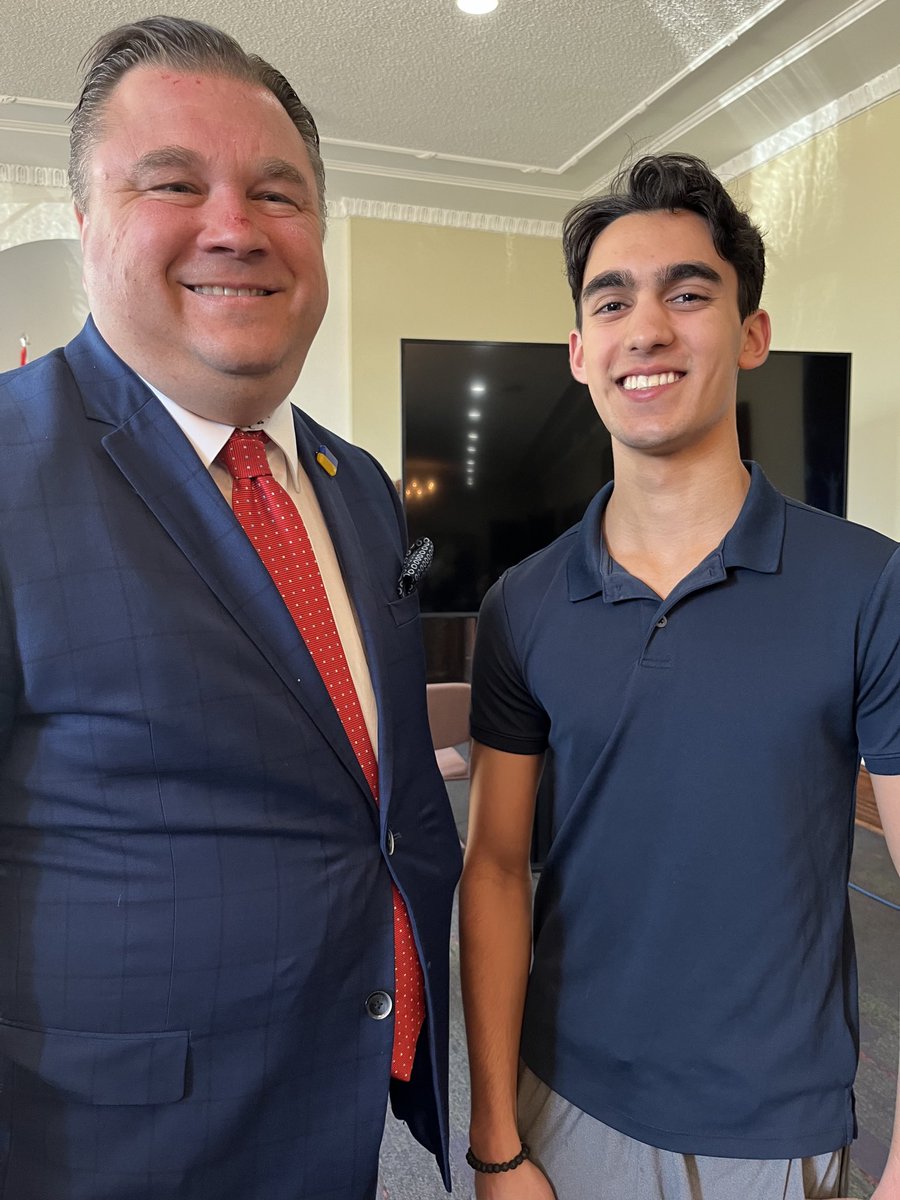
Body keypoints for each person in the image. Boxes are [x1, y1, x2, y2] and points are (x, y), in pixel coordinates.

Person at [0, 16, 462, 1200]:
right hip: (111, 1155)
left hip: (341, 1098)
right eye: (173, 183)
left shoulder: (353, 484)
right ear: (87, 222)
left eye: (279, 193)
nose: (235, 227)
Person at [460, 154, 900, 1200]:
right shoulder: (521, 605)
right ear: (579, 351)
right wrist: (493, 1139)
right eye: (612, 302)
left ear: (751, 333)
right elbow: (493, 870)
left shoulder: (870, 585)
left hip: (773, 1136)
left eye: (688, 293)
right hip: (559, 1110)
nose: (647, 329)